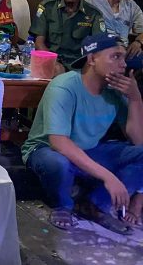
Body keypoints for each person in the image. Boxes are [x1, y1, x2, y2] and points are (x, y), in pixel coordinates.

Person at [23, 33, 143, 235]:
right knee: (57, 162)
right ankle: (63, 206)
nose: (123, 64)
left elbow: (138, 141)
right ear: (92, 59)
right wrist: (108, 177)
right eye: (115, 56)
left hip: (89, 150)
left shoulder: (113, 91)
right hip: (47, 150)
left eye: (123, 58)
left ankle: (94, 204)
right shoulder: (64, 86)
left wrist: (135, 98)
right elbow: (58, 142)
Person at [30, 0, 105, 75]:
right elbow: (39, 42)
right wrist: (52, 62)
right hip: (51, 62)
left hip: (80, 67)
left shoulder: (93, 13)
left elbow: (99, 46)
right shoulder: (47, 7)